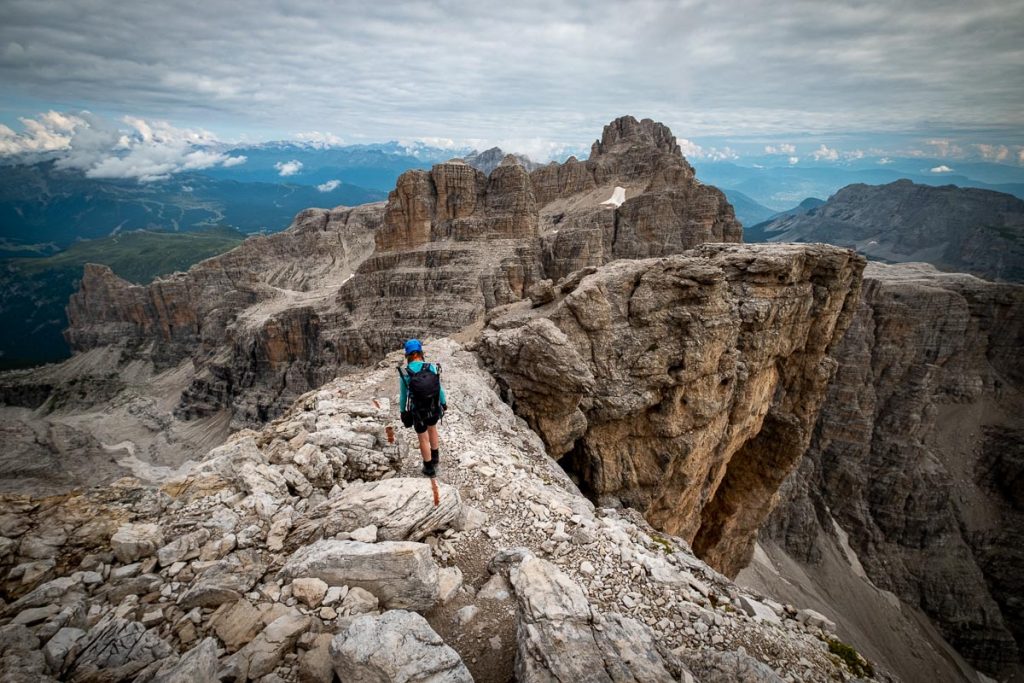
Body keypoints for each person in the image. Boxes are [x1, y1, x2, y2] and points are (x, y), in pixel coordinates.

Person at [397, 339, 447, 477]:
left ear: (407, 355)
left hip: (417, 410)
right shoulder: (430, 366)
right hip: (433, 406)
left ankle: (429, 468)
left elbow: (403, 397)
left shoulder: (405, 372)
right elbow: (439, 389)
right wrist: (443, 403)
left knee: (422, 437)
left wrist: (403, 412)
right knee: (433, 429)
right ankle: (435, 457)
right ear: (420, 353)